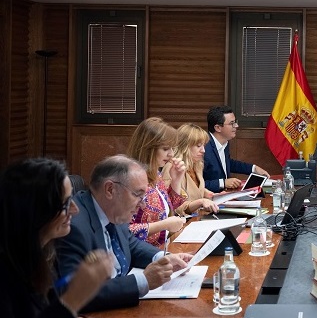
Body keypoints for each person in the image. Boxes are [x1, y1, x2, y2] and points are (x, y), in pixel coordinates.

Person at [55, 155, 192, 313]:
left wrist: (163, 258)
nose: (142, 205)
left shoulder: (114, 210)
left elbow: (131, 244)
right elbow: (75, 292)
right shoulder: (73, 226)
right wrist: (143, 281)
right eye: (137, 195)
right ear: (110, 189)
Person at [0, 158, 113, 318]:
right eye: (66, 203)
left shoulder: (44, 254)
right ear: (38, 210)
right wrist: (74, 298)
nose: (75, 210)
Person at [126, 117, 187, 247]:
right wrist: (163, 225)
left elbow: (166, 211)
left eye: (172, 149)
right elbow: (123, 231)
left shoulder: (156, 174)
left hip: (161, 248)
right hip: (140, 254)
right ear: (148, 149)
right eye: (165, 149)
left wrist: (176, 181)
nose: (171, 154)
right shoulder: (130, 180)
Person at [203, 105, 269, 193]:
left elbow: (227, 163)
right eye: (232, 123)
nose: (236, 126)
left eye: (235, 122)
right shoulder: (203, 149)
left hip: (224, 195)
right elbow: (195, 185)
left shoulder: (224, 142)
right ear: (218, 128)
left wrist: (254, 169)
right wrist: (223, 183)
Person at [172, 123, 220, 215]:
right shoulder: (173, 167)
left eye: (203, 146)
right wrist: (201, 201)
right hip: (184, 221)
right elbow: (177, 206)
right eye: (198, 146)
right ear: (185, 146)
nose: (203, 150)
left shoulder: (197, 165)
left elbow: (194, 189)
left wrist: (210, 195)